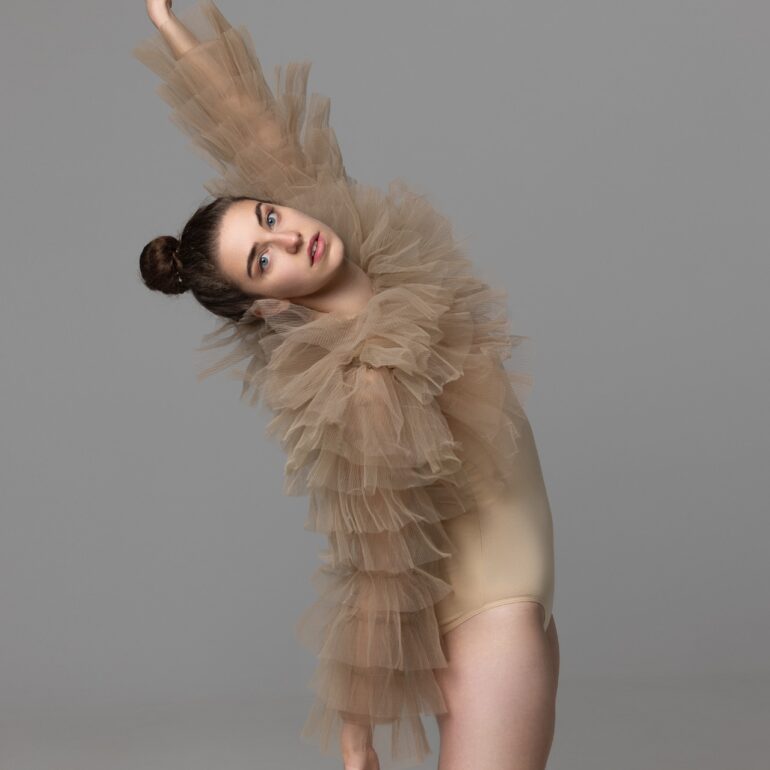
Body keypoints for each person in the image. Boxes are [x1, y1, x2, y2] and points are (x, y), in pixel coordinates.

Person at [133, 2, 560, 768]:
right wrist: (358, 732)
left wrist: (168, 23)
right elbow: (377, 567)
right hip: (491, 624)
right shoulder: (362, 385)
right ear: (267, 307)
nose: (290, 236)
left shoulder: (362, 241)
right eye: (264, 259)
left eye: (270, 217)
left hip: (514, 608)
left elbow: (251, 125)